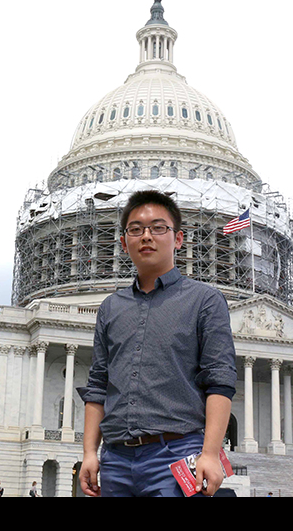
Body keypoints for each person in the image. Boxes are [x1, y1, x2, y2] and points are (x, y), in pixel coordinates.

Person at [77, 190, 237, 497]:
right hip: (115, 459)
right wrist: (89, 452)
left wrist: (210, 453)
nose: (146, 236)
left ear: (178, 239)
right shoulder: (111, 307)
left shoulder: (205, 301)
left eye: (158, 227)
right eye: (135, 229)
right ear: (124, 243)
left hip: (177, 453)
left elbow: (220, 381)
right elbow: (98, 384)